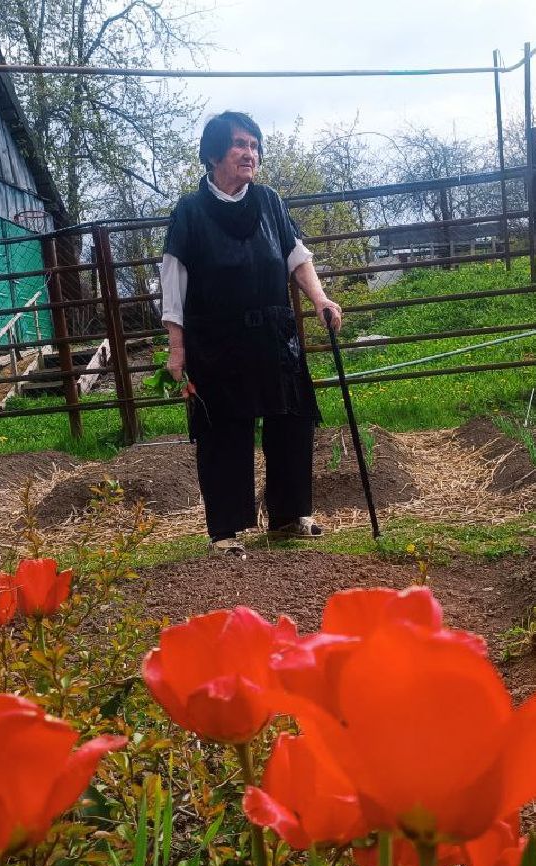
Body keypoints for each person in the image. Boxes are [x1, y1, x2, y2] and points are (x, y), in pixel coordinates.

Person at [160, 111, 343, 558]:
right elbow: (173, 283)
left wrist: (320, 299)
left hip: (274, 334)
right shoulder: (190, 212)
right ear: (214, 154)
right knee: (223, 430)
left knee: (291, 420)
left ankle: (289, 516)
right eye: (240, 144)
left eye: (255, 145)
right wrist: (176, 349)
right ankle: (225, 530)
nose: (250, 153)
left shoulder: (269, 202)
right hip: (216, 341)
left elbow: (297, 256)